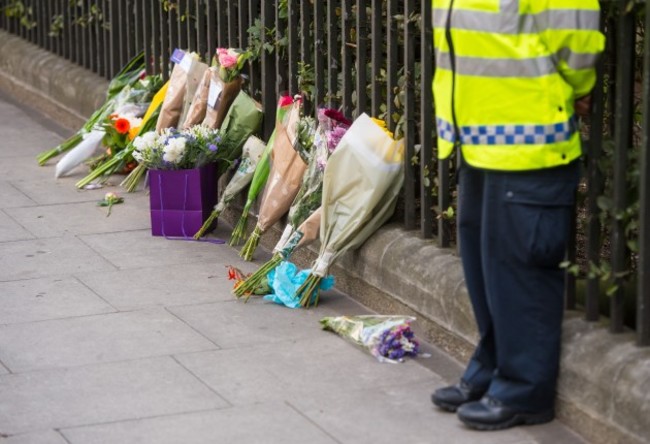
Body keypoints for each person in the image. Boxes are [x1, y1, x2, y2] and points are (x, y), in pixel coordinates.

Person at [429, 0, 605, 431]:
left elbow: (576, 35)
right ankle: (491, 368)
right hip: (479, 133)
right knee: (484, 264)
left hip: (530, 137)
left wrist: (577, 87)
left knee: (520, 267)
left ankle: (524, 390)